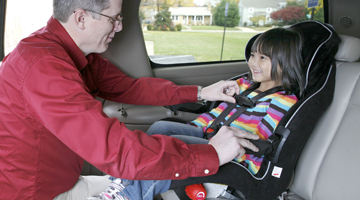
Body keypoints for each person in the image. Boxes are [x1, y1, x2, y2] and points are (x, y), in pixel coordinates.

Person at [0, 0, 260, 200]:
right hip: (37, 194)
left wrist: (201, 93)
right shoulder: (43, 67)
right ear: (81, 18)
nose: (119, 27)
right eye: (113, 18)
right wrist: (211, 154)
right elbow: (113, 150)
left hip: (63, 182)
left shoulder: (73, 55)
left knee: (151, 178)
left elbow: (130, 87)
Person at [89, 27, 304, 200]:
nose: (253, 62)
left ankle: (126, 194)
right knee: (161, 129)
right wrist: (198, 124)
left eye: (263, 58)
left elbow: (259, 139)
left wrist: (217, 138)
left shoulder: (283, 101)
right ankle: (126, 180)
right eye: (253, 55)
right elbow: (218, 111)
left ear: (285, 64)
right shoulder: (245, 84)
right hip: (208, 133)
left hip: (237, 152)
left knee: (166, 148)